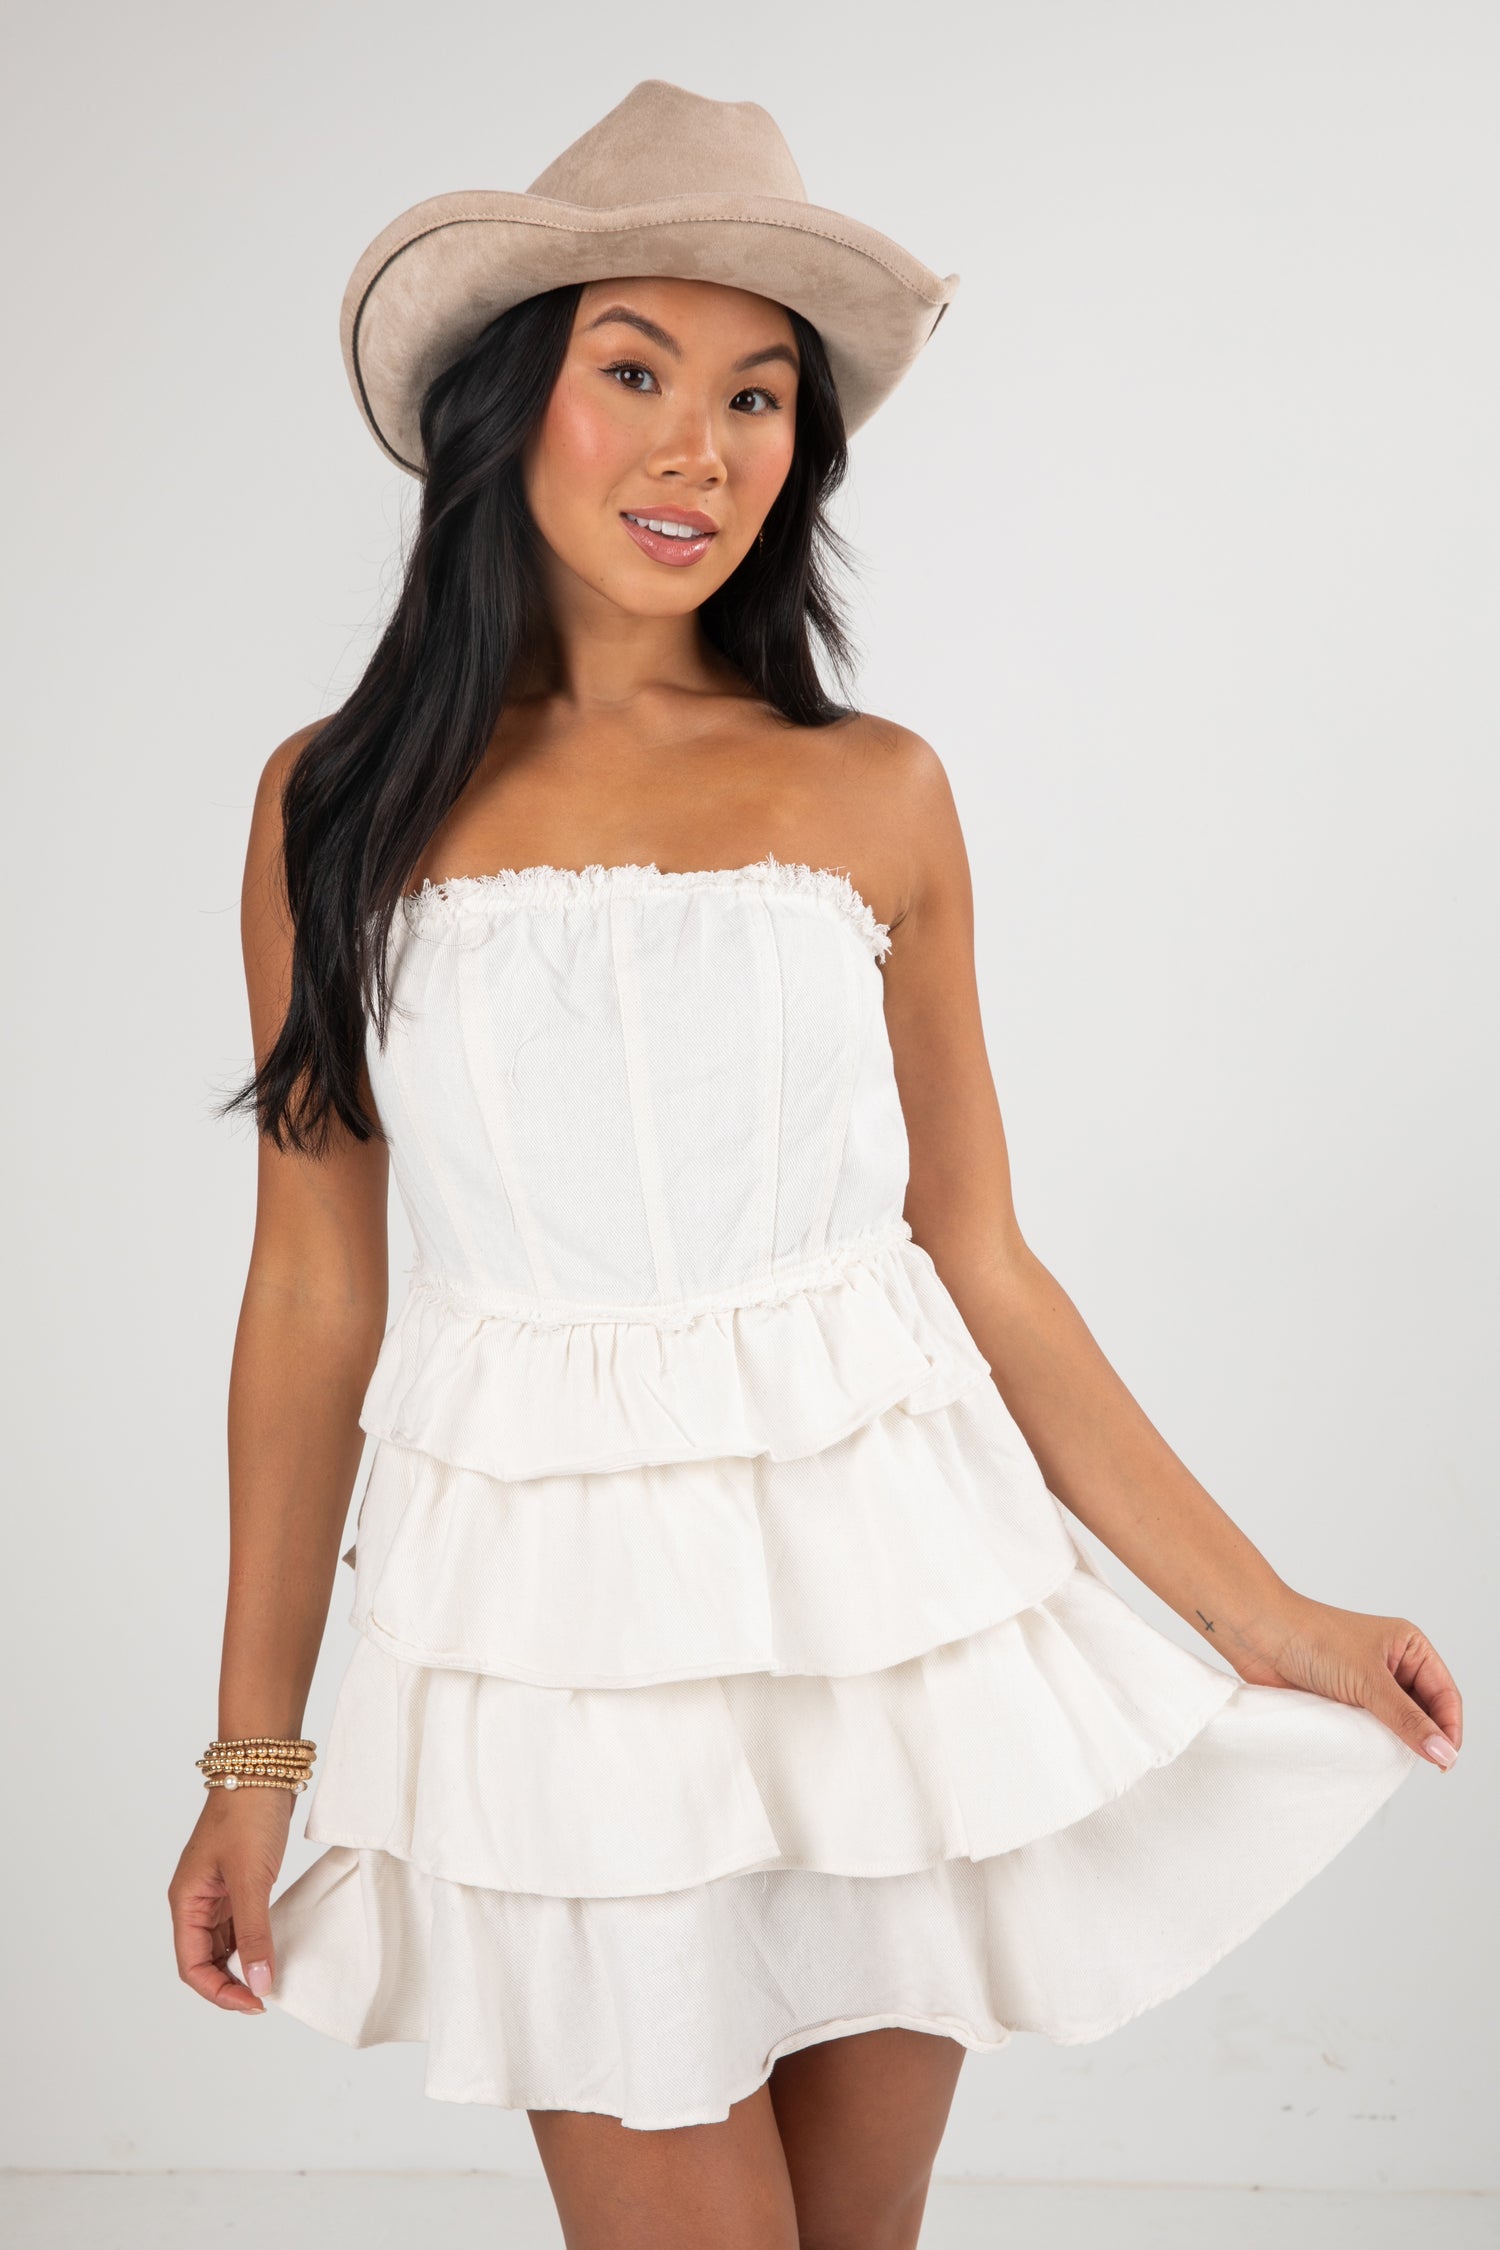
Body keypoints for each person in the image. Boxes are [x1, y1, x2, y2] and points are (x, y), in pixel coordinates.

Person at [167, 80, 1461, 2250]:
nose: (704, 451)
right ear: (514, 404)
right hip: (554, 1637)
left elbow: (981, 1261)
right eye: (638, 373)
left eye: (760, 397)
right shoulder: (336, 806)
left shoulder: (874, 790)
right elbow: (314, 1286)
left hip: (891, 1612)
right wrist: (249, 1759)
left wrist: (1269, 1618)